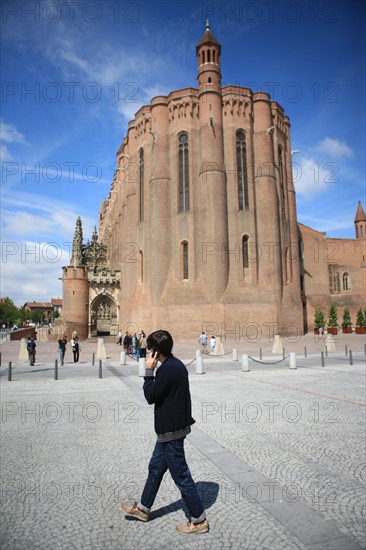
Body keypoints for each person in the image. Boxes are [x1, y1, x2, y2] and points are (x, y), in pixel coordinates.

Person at [120, 329, 209, 534]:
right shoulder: (174, 364)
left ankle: (199, 520)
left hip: (171, 431)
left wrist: (148, 371)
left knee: (181, 476)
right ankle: (143, 508)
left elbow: (150, 396)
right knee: (155, 468)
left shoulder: (168, 369)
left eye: (150, 349)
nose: (148, 352)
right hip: (169, 429)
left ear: (156, 352)